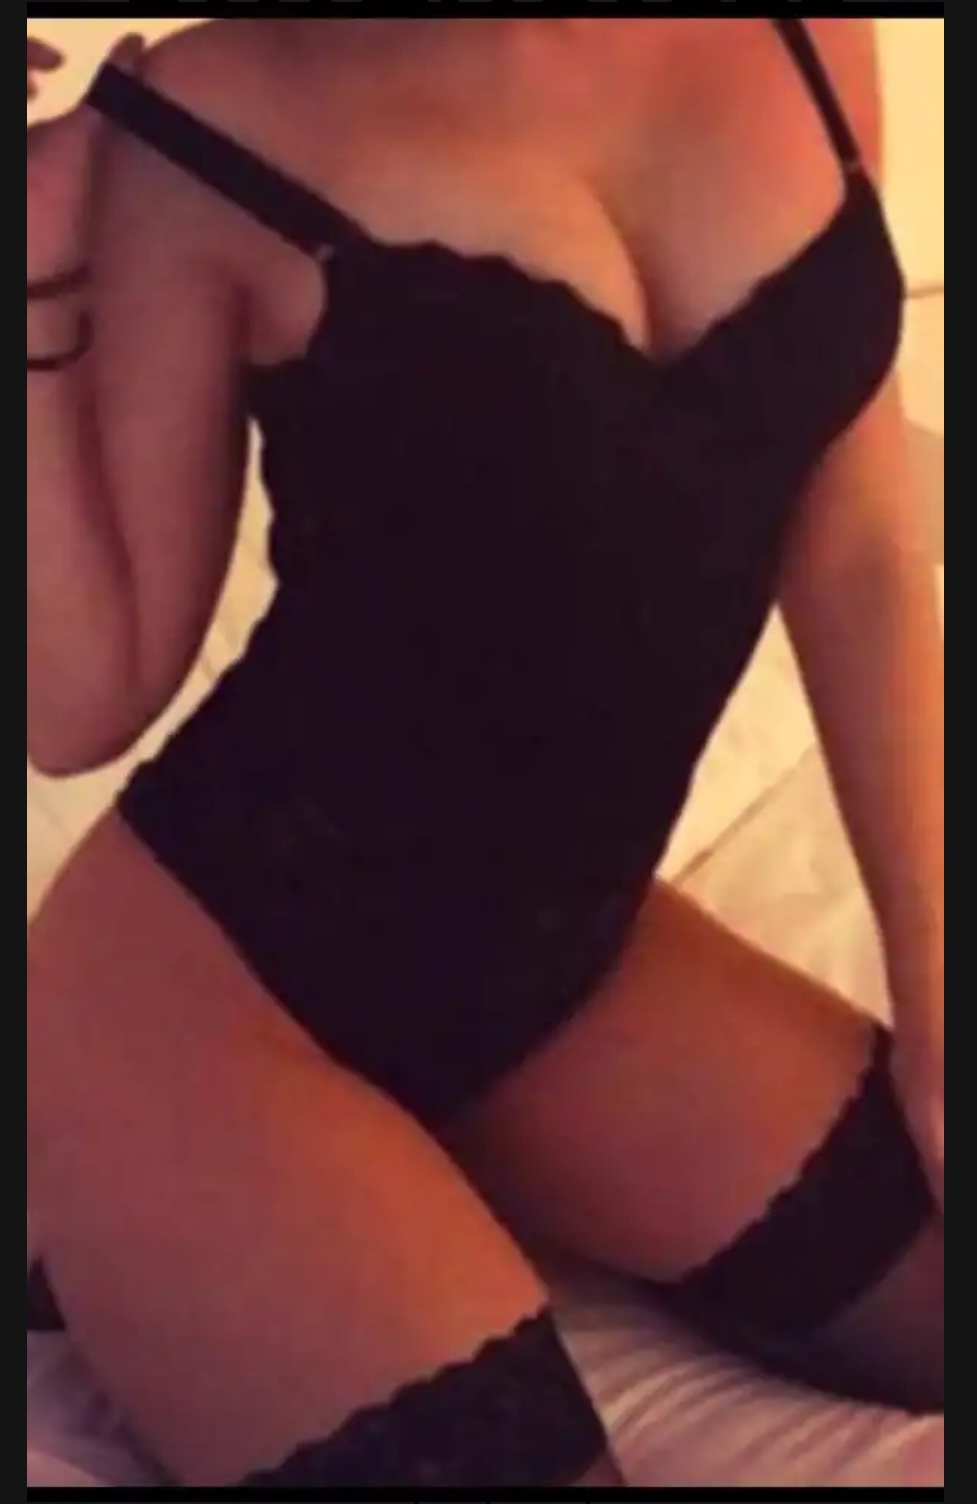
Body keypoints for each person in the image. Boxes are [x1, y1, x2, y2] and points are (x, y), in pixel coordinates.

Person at [27, 17, 943, 1488]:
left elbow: (860, 557)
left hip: (563, 970)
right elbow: (83, 696)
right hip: (213, 990)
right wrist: (26, 267)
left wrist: (942, 991)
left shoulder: (809, 37)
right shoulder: (215, 111)